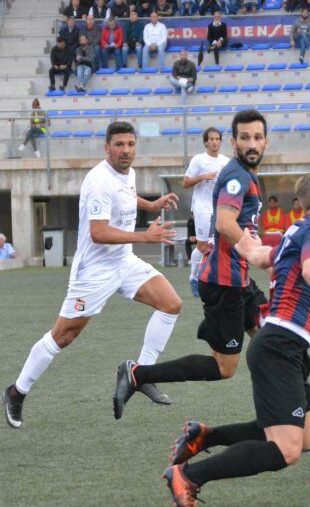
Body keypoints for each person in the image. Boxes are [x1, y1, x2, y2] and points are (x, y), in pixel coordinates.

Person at [161, 168, 310, 507]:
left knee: (303, 436)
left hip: (289, 346)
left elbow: (261, 258)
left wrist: (247, 243)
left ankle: (204, 436)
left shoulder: (299, 228)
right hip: (279, 344)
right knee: (286, 449)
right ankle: (188, 476)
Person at [2, 121, 181, 428]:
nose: (125, 150)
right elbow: (97, 232)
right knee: (63, 336)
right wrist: (145, 237)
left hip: (124, 261)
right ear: (106, 147)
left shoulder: (129, 173)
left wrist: (151, 204)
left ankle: (141, 374)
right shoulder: (98, 180)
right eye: (119, 145)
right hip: (95, 271)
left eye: (130, 144)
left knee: (171, 303)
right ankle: (16, 392)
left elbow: (127, 195)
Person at [114, 110, 271, 420]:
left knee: (273, 337)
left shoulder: (243, 173)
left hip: (238, 279)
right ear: (233, 141)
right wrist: (256, 254)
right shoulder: (238, 177)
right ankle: (137, 375)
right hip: (224, 283)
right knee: (225, 367)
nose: (251, 143)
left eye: (257, 137)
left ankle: (288, 412)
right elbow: (226, 223)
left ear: (266, 141)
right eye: (244, 137)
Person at [182, 126, 231, 296]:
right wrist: (203, 176)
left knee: (217, 245)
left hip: (219, 208)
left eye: (217, 139)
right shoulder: (198, 160)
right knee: (203, 246)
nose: (214, 142)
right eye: (211, 139)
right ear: (205, 142)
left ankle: (212, 278)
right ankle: (194, 278)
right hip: (202, 208)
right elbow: (185, 183)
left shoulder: (226, 161)